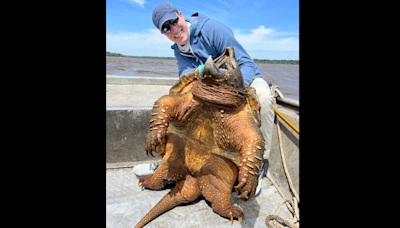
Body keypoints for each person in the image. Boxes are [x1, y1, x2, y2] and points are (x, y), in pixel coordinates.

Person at [134, 2, 275, 198]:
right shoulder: (178, 48)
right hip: (207, 89)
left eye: (174, 21)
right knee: (175, 98)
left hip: (240, 82)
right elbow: (185, 76)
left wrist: (236, 90)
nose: (173, 29)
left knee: (265, 98)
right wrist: (198, 77)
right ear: (162, 32)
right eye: (166, 28)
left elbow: (245, 62)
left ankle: (258, 165)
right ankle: (169, 159)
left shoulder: (212, 29)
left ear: (180, 16)